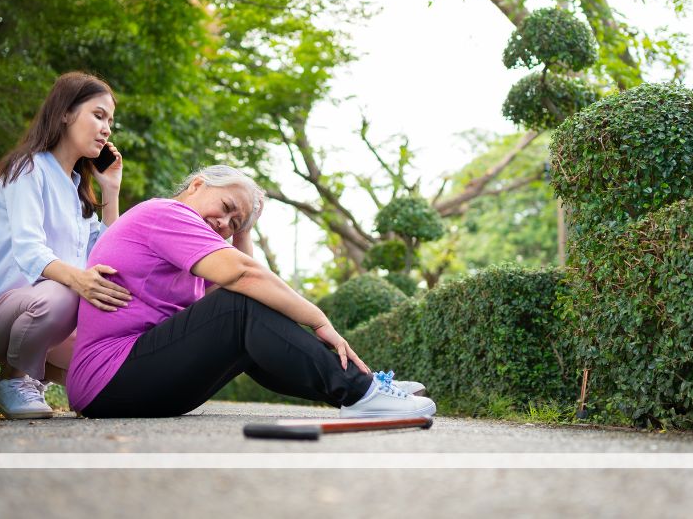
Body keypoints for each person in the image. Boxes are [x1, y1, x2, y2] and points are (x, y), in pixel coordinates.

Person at [66, 165, 435, 419]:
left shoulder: (194, 247)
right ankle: (361, 393)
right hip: (109, 378)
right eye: (226, 207)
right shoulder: (166, 214)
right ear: (196, 186)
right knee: (238, 304)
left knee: (247, 322)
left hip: (132, 381)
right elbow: (245, 280)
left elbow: (253, 291)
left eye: (234, 223)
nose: (224, 223)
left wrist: (244, 229)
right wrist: (319, 319)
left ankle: (359, 390)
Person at [0, 72, 132, 419]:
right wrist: (80, 281)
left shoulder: (75, 189)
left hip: (51, 314)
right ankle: (13, 379)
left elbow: (107, 254)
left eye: (110, 122)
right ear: (65, 113)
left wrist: (111, 191)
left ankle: (38, 377)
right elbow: (30, 252)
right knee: (70, 289)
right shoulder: (27, 169)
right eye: (98, 115)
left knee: (106, 379)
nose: (107, 129)